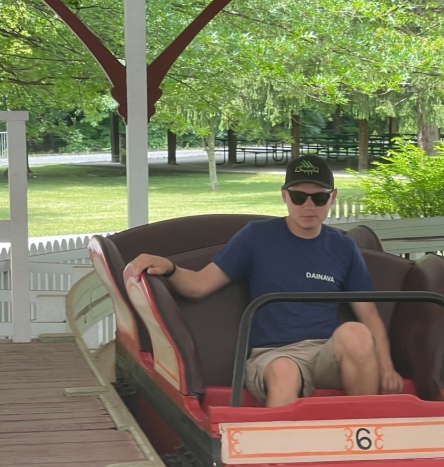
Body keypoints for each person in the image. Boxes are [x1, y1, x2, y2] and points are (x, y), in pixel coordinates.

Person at [126, 154, 403, 407]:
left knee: (356, 333)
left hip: (325, 353)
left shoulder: (343, 247)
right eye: (298, 197)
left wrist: (387, 367)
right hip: (273, 354)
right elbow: (199, 285)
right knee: (284, 370)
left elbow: (369, 316)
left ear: (332, 198)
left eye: (319, 198)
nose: (308, 206)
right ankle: (280, 444)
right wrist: (170, 268)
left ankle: (365, 431)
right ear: (284, 196)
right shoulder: (256, 237)